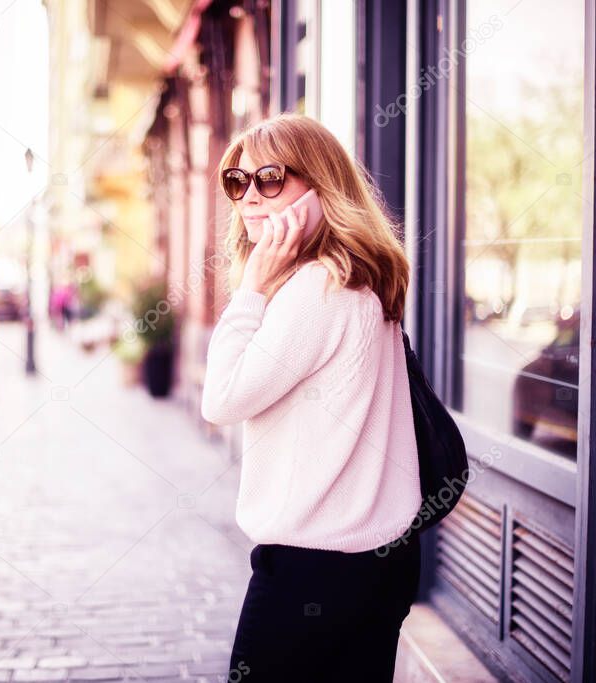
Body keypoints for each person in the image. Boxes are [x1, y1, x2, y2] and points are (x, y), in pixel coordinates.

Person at [200, 112, 422, 682]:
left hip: (312, 572)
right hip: (380, 563)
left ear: (321, 187)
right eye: (238, 181)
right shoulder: (362, 276)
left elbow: (221, 400)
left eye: (271, 179)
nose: (250, 197)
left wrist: (250, 288)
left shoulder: (316, 288)